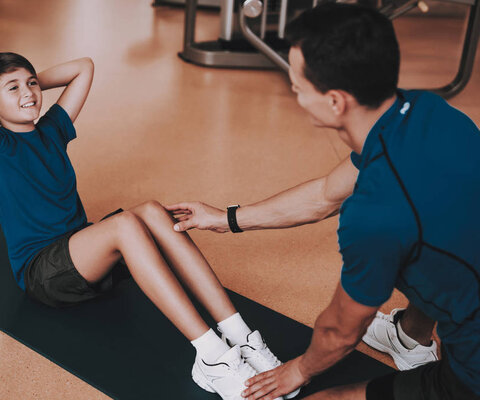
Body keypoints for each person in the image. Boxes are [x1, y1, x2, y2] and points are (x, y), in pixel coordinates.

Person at [0, 52, 299, 400]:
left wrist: (14, 90)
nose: (30, 92)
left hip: (83, 254)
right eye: (14, 87)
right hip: (43, 273)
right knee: (122, 226)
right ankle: (212, 358)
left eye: (32, 82)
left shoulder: (52, 129)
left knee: (152, 210)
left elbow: (83, 66)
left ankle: (239, 336)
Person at [166, 3, 480, 400]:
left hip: (473, 369)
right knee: (442, 226)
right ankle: (408, 335)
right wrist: (227, 218)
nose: (293, 90)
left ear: (335, 101)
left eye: (297, 84)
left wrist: (297, 370)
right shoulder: (427, 111)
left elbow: (341, 332)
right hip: (467, 281)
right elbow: (324, 195)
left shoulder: (374, 215)